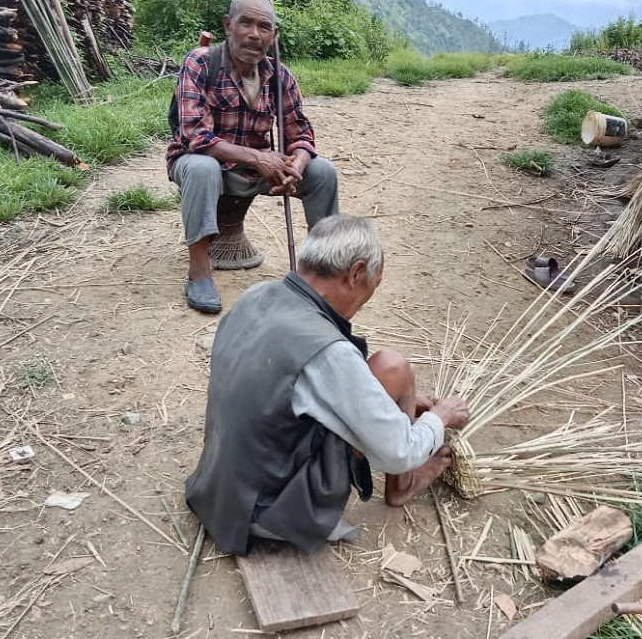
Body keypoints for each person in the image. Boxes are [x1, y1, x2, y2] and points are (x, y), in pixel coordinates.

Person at [185, 215, 471, 554]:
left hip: (218, 490)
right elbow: (398, 452)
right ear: (355, 273)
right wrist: (441, 416)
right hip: (271, 513)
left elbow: (287, 388)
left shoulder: (257, 295)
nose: (368, 297)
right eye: (373, 284)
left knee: (386, 377)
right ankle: (404, 484)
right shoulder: (328, 353)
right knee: (393, 369)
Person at [166, 0, 338, 314]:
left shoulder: (280, 76)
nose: (254, 34)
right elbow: (194, 136)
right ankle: (199, 273)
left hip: (255, 170)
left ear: (273, 36)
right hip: (204, 162)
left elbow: (301, 134)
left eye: (264, 27)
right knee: (201, 168)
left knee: (322, 172)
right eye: (245, 23)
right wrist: (260, 158)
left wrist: (295, 167)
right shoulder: (200, 62)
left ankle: (323, 272)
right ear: (229, 25)